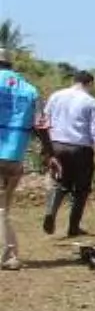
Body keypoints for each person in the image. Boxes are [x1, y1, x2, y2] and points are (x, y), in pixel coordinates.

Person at [0, 48, 51, 270]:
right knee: (3, 208)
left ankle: (9, 255)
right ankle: (9, 255)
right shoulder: (30, 90)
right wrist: (48, 151)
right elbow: (40, 125)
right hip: (14, 155)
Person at [42, 70, 95, 237]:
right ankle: (73, 227)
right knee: (81, 189)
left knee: (59, 183)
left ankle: (51, 211)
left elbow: (44, 120)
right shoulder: (90, 102)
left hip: (56, 145)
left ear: (74, 81)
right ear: (89, 83)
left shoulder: (56, 96)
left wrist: (47, 148)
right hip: (80, 149)